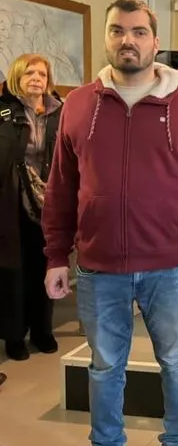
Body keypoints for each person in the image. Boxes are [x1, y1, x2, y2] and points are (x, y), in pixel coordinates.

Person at [42, 0, 178, 446]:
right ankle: (107, 440)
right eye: (117, 31)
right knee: (105, 364)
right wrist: (54, 256)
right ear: (106, 38)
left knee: (177, 361)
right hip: (98, 266)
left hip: (168, 266)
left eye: (138, 32)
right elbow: (61, 187)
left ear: (155, 42)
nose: (128, 40)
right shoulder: (79, 105)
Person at [0, 54, 62, 361]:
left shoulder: (57, 112)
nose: (36, 78)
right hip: (12, 203)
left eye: (42, 73)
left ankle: (42, 330)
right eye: (29, 73)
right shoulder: (5, 112)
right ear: (17, 77)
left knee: (46, 266)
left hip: (49, 204)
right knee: (15, 271)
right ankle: (15, 335)